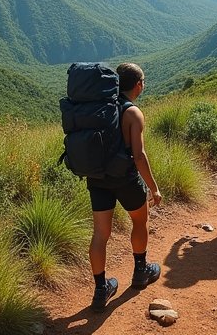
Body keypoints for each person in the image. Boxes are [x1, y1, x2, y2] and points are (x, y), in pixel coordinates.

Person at [88, 62, 163, 312]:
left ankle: (101, 290)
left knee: (100, 234)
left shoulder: (100, 108)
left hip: (97, 178)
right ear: (139, 84)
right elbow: (139, 156)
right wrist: (154, 188)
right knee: (140, 221)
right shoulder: (133, 113)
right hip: (125, 179)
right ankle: (140, 272)